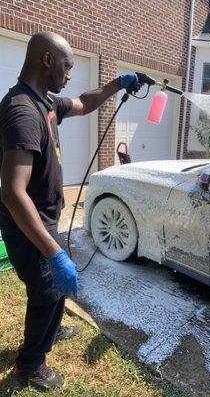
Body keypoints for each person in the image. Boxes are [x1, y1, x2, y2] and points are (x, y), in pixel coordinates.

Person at [0, 31, 141, 391]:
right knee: (45, 291)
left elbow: (82, 102)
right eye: (66, 65)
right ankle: (30, 364)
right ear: (46, 60)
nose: (69, 73)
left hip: (45, 220)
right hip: (28, 226)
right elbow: (13, 193)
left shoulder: (44, 102)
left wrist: (117, 83)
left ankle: (52, 326)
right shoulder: (22, 111)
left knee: (53, 290)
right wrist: (52, 251)